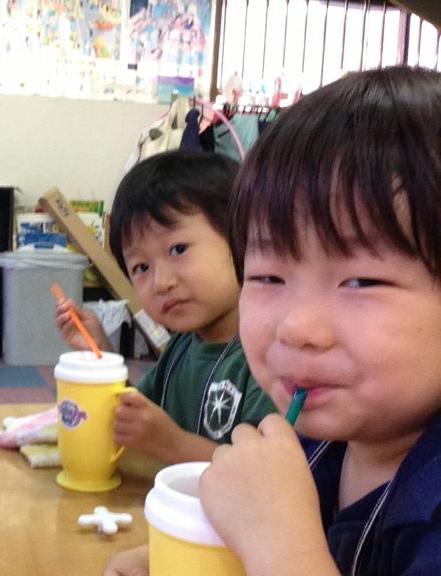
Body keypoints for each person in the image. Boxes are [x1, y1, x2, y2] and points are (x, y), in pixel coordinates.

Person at [106, 66, 441, 576]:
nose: (294, 327)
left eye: (361, 281)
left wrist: (280, 546)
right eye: (268, 277)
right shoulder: (316, 446)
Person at [56, 150, 275, 464]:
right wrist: (100, 352)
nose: (160, 283)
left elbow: (264, 474)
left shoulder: (269, 361)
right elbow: (140, 415)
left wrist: (174, 444)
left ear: (242, 238)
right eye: (141, 267)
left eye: (178, 249)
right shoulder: (181, 347)